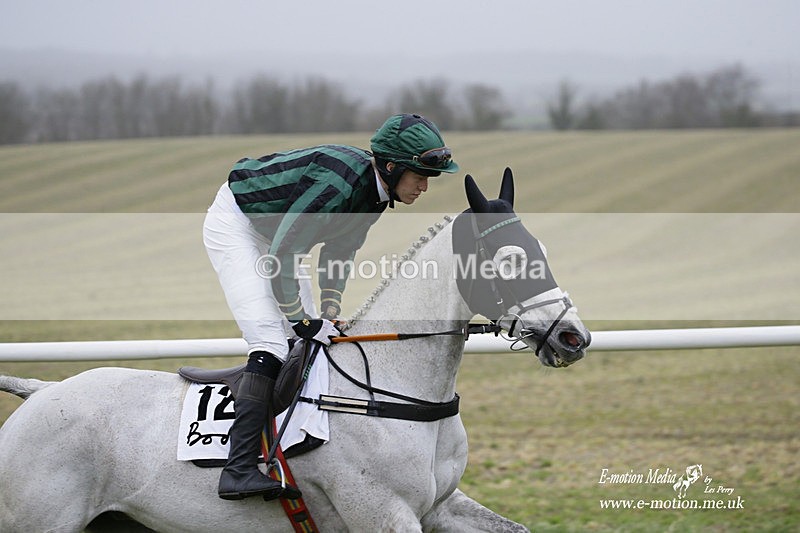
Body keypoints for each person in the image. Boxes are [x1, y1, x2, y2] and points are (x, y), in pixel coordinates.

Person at [202, 113, 459, 501]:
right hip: (238, 224)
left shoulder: (375, 194)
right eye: (419, 176)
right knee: (271, 342)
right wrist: (301, 319)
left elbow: (340, 251)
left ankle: (291, 450)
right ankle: (237, 470)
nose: (424, 186)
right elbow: (284, 254)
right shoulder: (336, 186)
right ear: (391, 167)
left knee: (307, 341)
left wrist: (329, 310)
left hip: (279, 236)